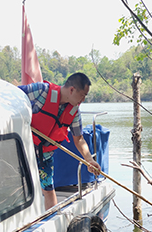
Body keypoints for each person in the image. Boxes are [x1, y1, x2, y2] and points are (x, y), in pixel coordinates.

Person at [19, 73, 101, 210]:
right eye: (82, 95)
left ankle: (51, 219)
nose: (83, 100)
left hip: (44, 155)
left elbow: (79, 138)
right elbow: (13, 96)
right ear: (72, 90)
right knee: (20, 188)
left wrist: (89, 160)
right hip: (23, 150)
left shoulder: (74, 111)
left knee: (48, 189)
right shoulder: (41, 91)